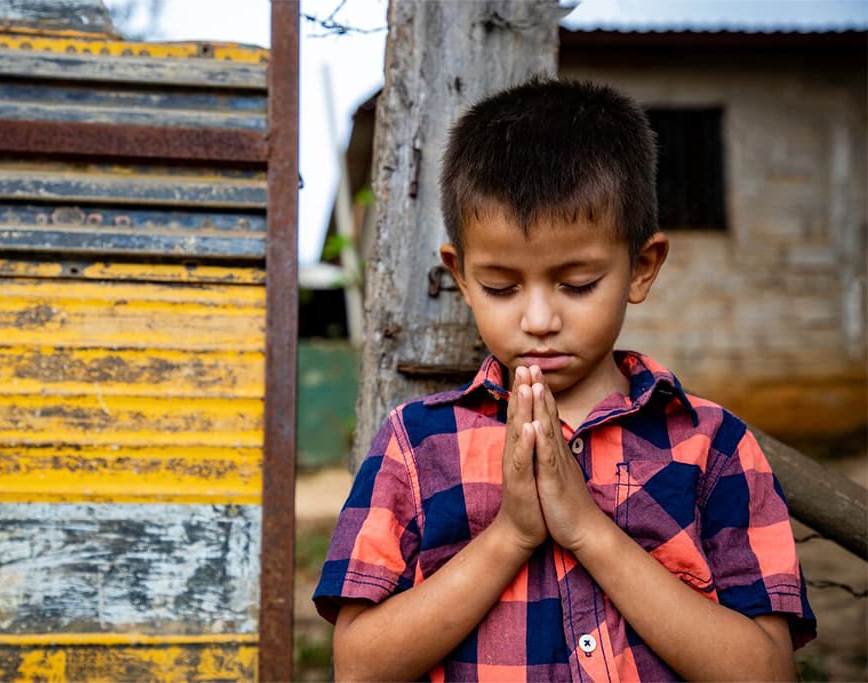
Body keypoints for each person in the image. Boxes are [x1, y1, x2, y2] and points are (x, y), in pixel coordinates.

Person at [313, 78, 815, 682]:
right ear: (462, 276)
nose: (539, 320)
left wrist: (587, 530)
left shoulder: (711, 448)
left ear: (642, 267)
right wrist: (512, 534)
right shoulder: (418, 448)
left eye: (577, 284)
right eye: (501, 286)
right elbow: (358, 668)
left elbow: (766, 673)